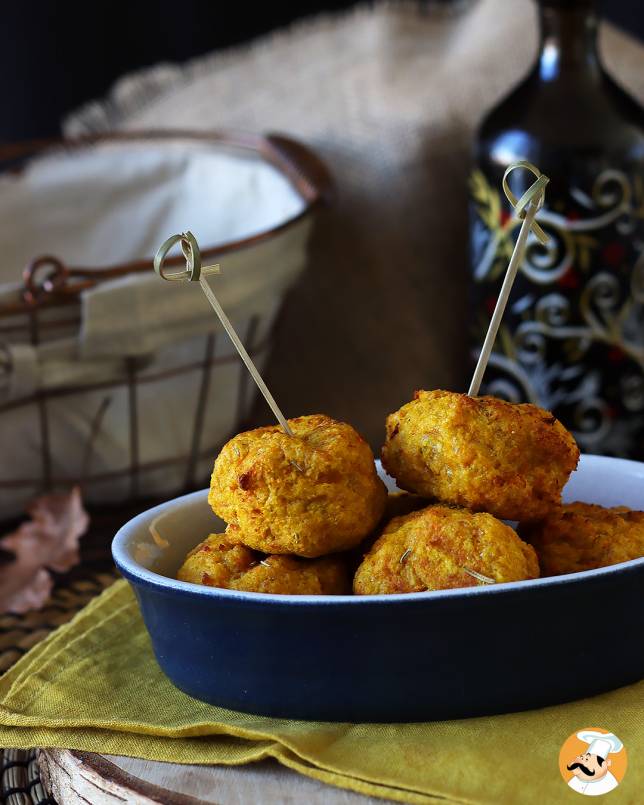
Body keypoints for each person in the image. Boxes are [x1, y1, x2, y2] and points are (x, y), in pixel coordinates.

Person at [566, 731, 623, 796]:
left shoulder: (609, 784)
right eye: (582, 758)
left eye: (587, 760)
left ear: (606, 763)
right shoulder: (575, 780)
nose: (581, 764)